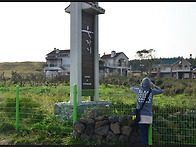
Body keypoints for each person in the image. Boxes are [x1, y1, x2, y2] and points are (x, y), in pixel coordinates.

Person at [130, 77, 163, 145]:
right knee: (148, 134)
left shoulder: (138, 90)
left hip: (140, 117)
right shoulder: (152, 91)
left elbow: (131, 88)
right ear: (149, 85)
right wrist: (154, 86)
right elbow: (161, 91)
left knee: (143, 135)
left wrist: (140, 86)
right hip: (148, 117)